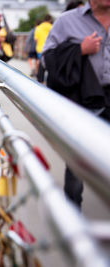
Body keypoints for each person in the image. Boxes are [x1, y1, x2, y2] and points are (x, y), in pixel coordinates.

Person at [42, 0, 110, 209]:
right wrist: (79, 49)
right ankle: (71, 216)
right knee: (76, 161)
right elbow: (47, 58)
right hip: (82, 99)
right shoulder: (67, 21)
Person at [34, 14, 53, 83]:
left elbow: (35, 39)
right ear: (50, 20)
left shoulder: (38, 27)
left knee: (41, 65)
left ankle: (40, 81)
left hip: (40, 49)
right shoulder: (52, 27)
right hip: (50, 49)